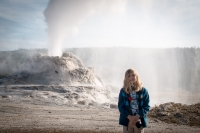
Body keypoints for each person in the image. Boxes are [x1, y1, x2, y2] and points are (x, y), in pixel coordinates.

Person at [118, 68, 150, 133]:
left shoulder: (144, 91)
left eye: (133, 75)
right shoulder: (123, 91)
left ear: (136, 76)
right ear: (126, 78)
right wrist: (130, 117)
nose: (131, 77)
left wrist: (137, 116)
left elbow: (146, 106)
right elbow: (120, 107)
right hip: (127, 121)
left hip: (139, 120)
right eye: (129, 76)